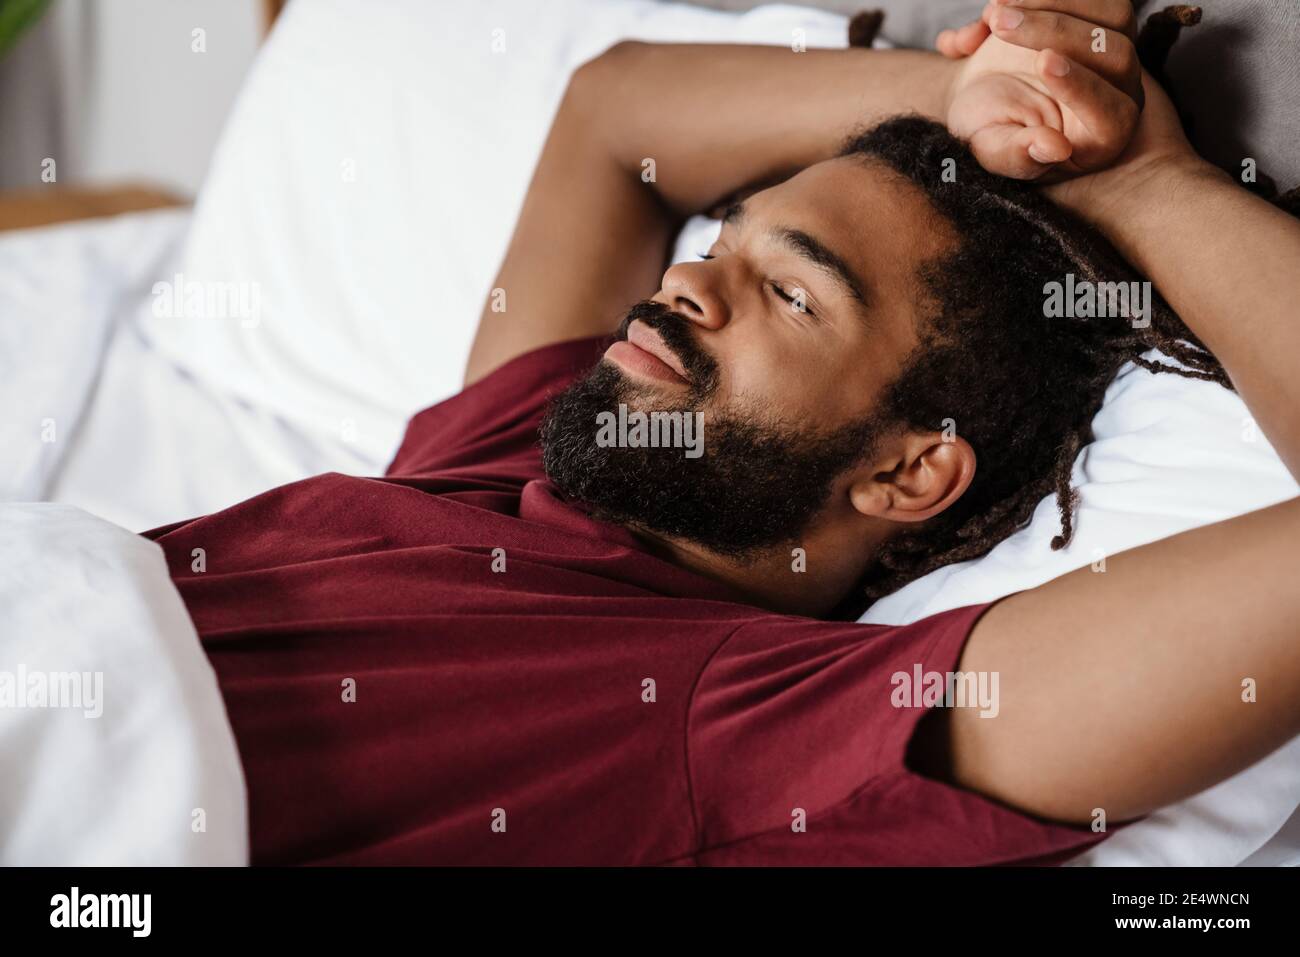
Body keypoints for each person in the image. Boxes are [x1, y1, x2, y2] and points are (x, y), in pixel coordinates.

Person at [147, 0, 1300, 864]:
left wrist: (1142, 186)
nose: (687, 288)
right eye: (724, 243)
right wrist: (965, 100)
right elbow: (617, 115)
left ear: (907, 471)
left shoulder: (740, 726)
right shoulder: (508, 459)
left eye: (792, 296)